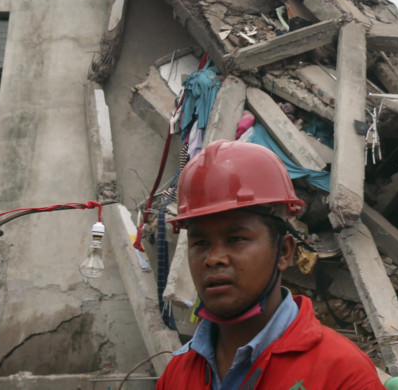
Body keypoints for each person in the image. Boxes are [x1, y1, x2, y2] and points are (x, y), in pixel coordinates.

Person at [156, 140, 385, 390]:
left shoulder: (343, 374)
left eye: (236, 239)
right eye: (200, 243)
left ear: (284, 251)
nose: (213, 259)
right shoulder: (177, 374)